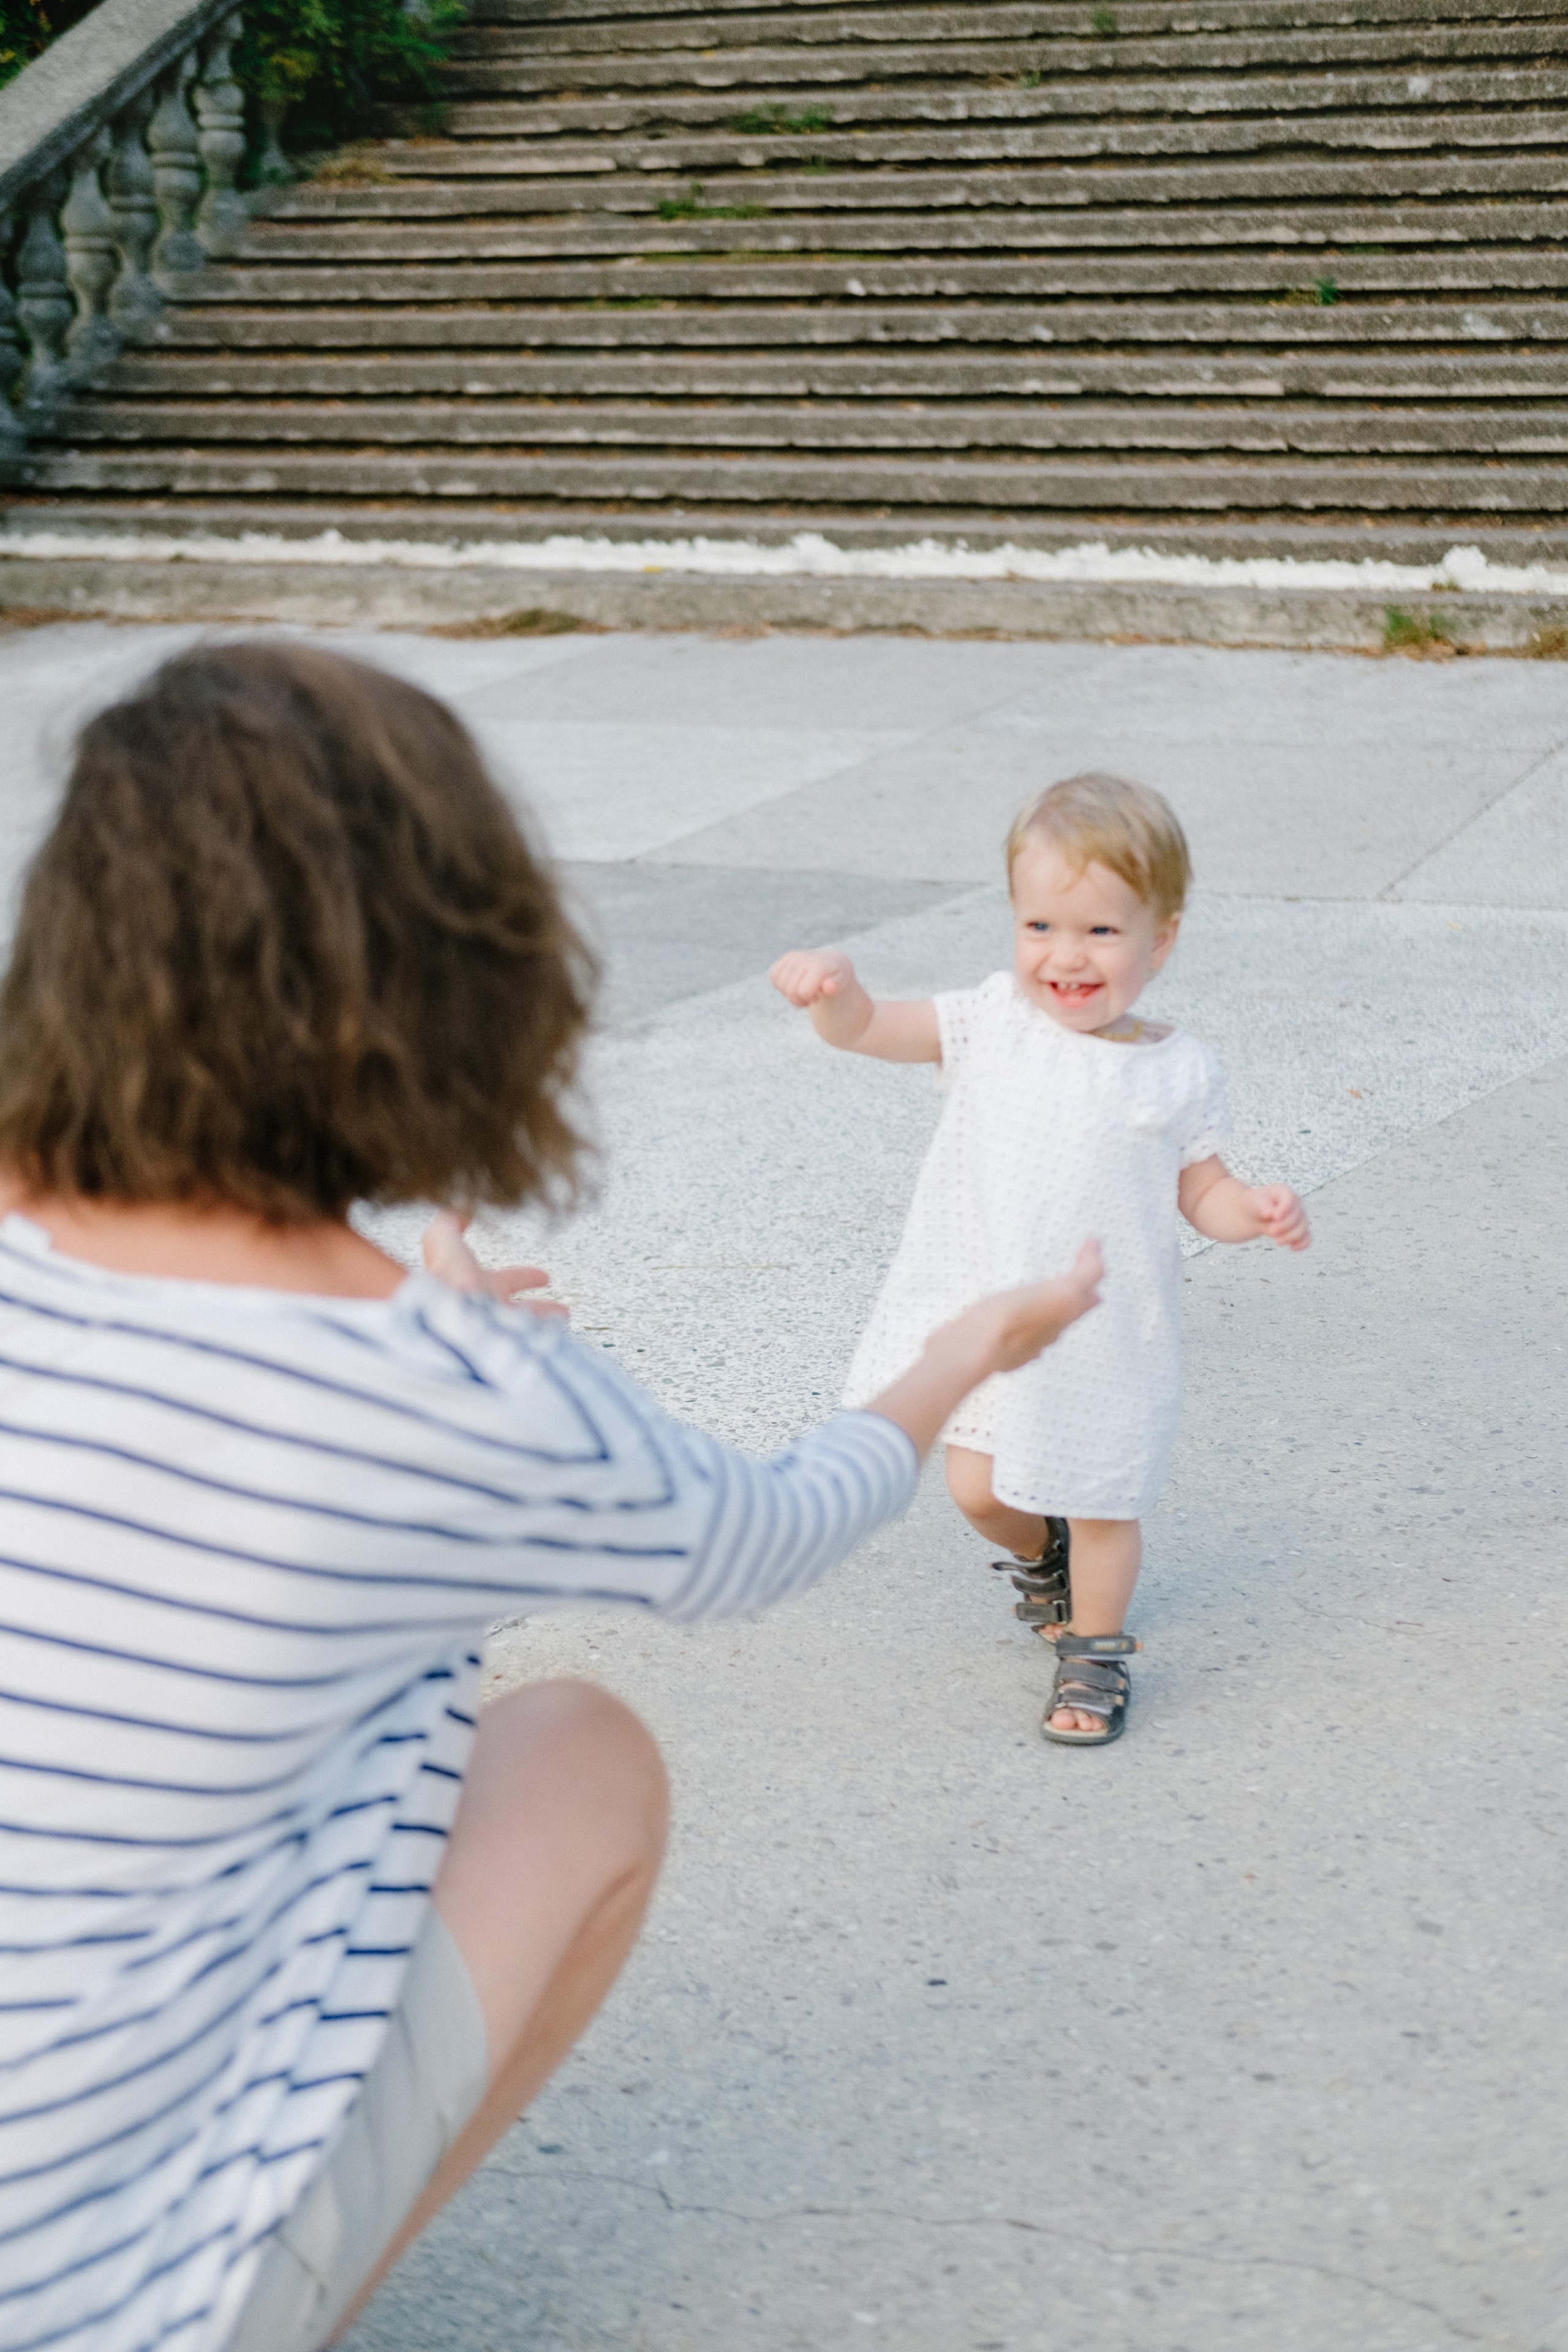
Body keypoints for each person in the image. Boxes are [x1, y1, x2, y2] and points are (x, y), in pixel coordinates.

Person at [0, 641, 1103, 2352]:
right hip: (78, 2291)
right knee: (579, 1760)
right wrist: (967, 1347)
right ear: (438, 973)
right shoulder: (448, 1395)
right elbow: (769, 1531)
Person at [769, 771, 1310, 1750]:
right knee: (982, 1491)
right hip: (991, 1316)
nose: (1067, 955)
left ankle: (1097, 1652)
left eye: (1102, 932)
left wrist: (1252, 1210)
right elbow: (869, 1030)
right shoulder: (989, 1023)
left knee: (1101, 1493)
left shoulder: (1176, 1068)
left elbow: (1204, 1191)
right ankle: (1044, 1558)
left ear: (1163, 938)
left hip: (1105, 1332)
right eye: (1040, 928)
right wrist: (835, 992)